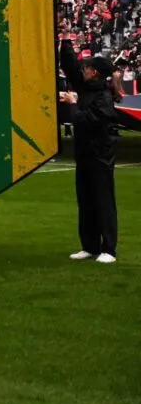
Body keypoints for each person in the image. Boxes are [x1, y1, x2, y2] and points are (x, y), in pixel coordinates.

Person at [59, 40, 141, 263]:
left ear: (94, 72)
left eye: (87, 68)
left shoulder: (104, 98)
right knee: (85, 202)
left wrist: (73, 103)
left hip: (100, 157)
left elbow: (83, 119)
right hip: (84, 155)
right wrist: (65, 41)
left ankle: (109, 249)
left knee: (104, 203)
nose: (83, 70)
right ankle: (90, 246)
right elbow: (70, 67)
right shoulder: (87, 88)